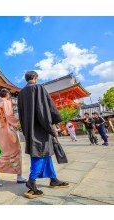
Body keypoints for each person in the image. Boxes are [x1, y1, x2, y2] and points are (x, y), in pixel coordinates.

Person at [18, 71, 69, 199]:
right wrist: (52, 126)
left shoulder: (21, 93)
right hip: (41, 127)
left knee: (45, 154)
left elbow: (21, 114)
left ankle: (53, 179)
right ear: (35, 78)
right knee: (39, 154)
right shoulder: (38, 87)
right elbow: (44, 109)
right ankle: (31, 181)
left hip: (29, 128)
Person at [0, 88, 27, 187]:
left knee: (6, 152)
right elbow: (9, 117)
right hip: (8, 130)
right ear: (8, 95)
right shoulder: (7, 102)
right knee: (14, 152)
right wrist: (20, 120)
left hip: (0, 131)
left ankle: (18, 175)